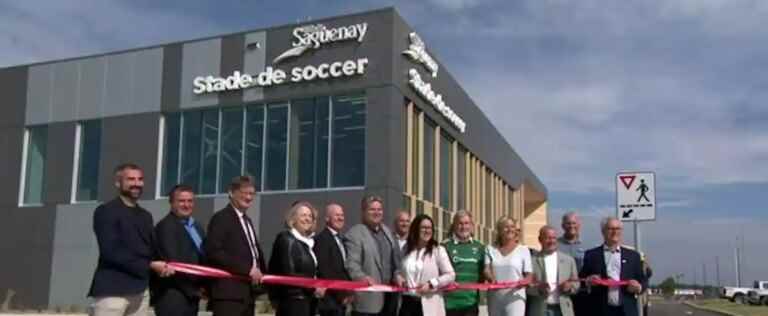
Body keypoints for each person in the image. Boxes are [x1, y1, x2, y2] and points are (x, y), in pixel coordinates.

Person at [88, 163, 172, 316]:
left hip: (140, 291)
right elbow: (111, 251)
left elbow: (151, 251)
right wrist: (150, 265)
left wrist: (165, 265)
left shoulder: (145, 216)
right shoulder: (106, 211)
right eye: (131, 179)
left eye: (140, 179)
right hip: (113, 291)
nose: (136, 183)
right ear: (118, 183)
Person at [203, 176, 267, 316]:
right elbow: (214, 252)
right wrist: (247, 270)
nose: (249, 197)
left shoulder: (247, 220)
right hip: (229, 296)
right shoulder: (221, 218)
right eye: (245, 193)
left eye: (252, 194)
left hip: (247, 294)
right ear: (231, 193)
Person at [151, 185, 207, 316]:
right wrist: (194, 290)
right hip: (172, 296)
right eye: (181, 201)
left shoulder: (197, 227)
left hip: (192, 297)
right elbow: (173, 262)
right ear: (171, 203)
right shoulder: (165, 226)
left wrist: (205, 286)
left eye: (190, 201)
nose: (186, 205)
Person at [345, 195, 405, 316]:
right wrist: (362, 277)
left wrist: (397, 274)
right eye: (372, 209)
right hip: (369, 300)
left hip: (390, 297)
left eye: (379, 209)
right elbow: (352, 264)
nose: (376, 212)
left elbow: (395, 262)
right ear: (363, 212)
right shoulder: (355, 234)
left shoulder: (387, 232)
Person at [580, 217, 645, 316]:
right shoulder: (591, 255)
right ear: (603, 231)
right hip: (599, 310)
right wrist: (588, 281)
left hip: (627, 311)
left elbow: (643, 280)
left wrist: (638, 287)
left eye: (618, 229)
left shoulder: (633, 256)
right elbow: (581, 280)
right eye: (611, 229)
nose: (615, 232)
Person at [268, 201, 324, 316]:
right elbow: (289, 273)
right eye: (303, 215)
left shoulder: (308, 243)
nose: (307, 219)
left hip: (307, 302)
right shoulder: (286, 239)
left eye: (310, 216)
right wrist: (314, 287)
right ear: (293, 218)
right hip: (293, 303)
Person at [399, 214, 455, 316]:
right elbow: (398, 270)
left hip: (428, 304)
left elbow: (450, 275)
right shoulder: (406, 249)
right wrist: (398, 277)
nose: (427, 231)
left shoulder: (438, 250)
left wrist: (431, 284)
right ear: (415, 229)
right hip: (407, 303)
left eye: (429, 228)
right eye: (423, 227)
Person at [484, 216, 532, 316]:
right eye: (506, 227)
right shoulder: (490, 249)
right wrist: (491, 278)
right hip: (495, 297)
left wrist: (524, 282)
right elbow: (486, 270)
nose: (510, 229)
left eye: (512, 226)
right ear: (500, 230)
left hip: (515, 297)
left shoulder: (523, 250)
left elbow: (529, 275)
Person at [527, 226, 580, 316]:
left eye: (554, 238)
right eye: (548, 238)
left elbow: (576, 283)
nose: (551, 241)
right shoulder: (531, 261)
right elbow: (526, 286)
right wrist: (538, 289)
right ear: (540, 240)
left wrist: (569, 287)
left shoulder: (569, 260)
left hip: (563, 310)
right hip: (539, 310)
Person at [442, 210, 485, 316]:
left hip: (471, 304)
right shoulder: (445, 246)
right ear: (454, 225)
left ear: (471, 226)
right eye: (460, 223)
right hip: (449, 304)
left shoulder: (480, 247)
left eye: (466, 223)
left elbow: (483, 273)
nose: (463, 227)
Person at [314, 203, 353, 316]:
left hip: (340, 303)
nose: (340, 218)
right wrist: (342, 295)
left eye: (342, 215)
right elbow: (325, 271)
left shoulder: (341, 240)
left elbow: (343, 268)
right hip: (330, 302)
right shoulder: (322, 240)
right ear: (327, 218)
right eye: (336, 215)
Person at [557, 212, 586, 316]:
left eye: (574, 223)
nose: (571, 226)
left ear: (579, 225)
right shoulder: (555, 245)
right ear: (563, 225)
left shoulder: (587, 244)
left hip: (583, 292)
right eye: (568, 223)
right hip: (562, 292)